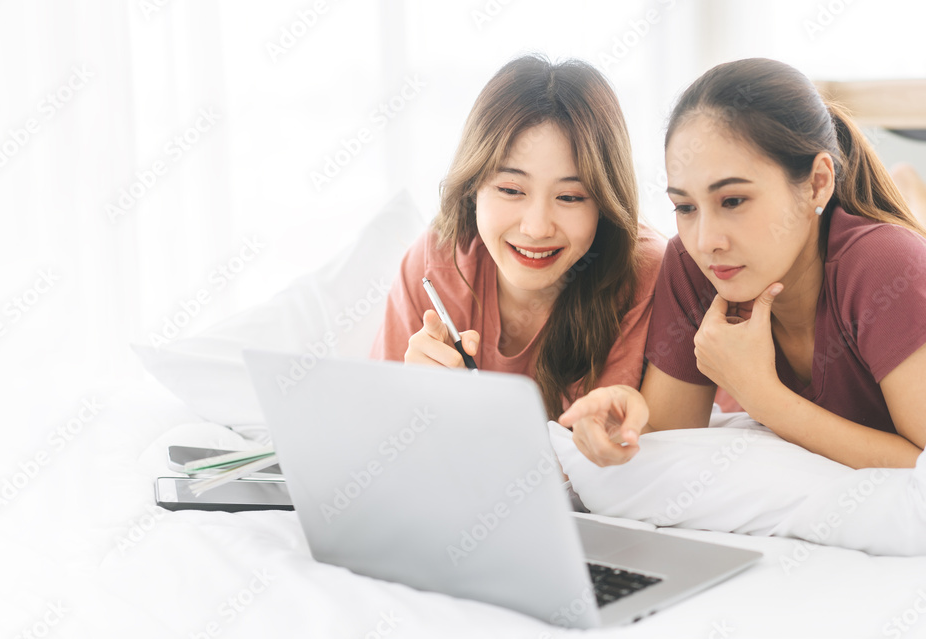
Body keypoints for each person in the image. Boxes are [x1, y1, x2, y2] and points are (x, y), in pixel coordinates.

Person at [561, 58, 926, 470]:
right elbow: (674, 440)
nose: (706, 241)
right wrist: (628, 419)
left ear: (818, 183)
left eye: (733, 201)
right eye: (685, 206)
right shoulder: (691, 263)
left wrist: (764, 397)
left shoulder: (885, 265)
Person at [370, 54, 666, 418]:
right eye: (511, 190)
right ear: (473, 186)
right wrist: (416, 402)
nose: (537, 228)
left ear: (605, 204)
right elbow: (378, 430)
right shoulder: (434, 262)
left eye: (570, 197)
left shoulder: (647, 275)